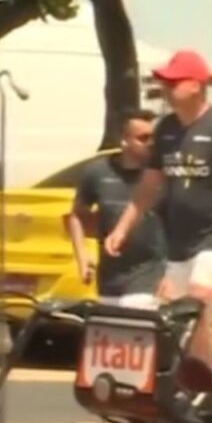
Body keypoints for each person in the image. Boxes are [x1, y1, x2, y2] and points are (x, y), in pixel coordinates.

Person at [104, 50, 212, 373]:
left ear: (196, 85)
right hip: (178, 240)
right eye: (164, 83)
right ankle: (183, 377)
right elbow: (148, 186)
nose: (166, 89)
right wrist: (122, 228)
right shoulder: (166, 131)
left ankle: (204, 378)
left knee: (201, 298)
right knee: (173, 314)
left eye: (174, 83)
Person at [65, 109, 166, 309]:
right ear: (124, 140)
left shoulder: (162, 175)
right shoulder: (98, 172)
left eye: (154, 137)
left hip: (151, 276)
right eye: (143, 138)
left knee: (137, 327)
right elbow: (77, 215)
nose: (151, 143)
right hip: (110, 279)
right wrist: (82, 258)